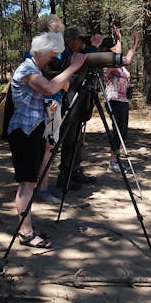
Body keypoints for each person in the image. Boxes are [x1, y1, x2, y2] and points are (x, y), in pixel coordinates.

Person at [7, 32, 86, 248]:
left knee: (30, 182)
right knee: (27, 182)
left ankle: (27, 226)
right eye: (52, 56)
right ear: (41, 53)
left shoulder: (35, 69)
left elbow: (34, 96)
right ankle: (25, 233)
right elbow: (50, 87)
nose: (53, 60)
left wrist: (46, 106)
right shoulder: (26, 69)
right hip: (23, 132)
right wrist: (72, 68)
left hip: (32, 130)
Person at [52, 26, 103, 190]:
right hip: (67, 101)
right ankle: (65, 177)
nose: (83, 43)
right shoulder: (64, 54)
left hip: (75, 100)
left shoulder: (70, 53)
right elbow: (80, 62)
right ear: (71, 41)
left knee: (77, 139)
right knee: (70, 139)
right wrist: (93, 47)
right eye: (80, 39)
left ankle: (74, 171)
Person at [33, 15, 66, 204]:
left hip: (53, 100)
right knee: (48, 147)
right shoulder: (43, 53)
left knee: (47, 147)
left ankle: (41, 184)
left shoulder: (38, 50)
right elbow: (44, 80)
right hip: (49, 103)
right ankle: (42, 187)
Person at [100, 27, 139, 173]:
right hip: (113, 100)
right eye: (115, 48)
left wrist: (135, 42)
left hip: (123, 101)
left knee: (123, 131)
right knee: (117, 131)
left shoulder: (121, 65)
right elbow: (117, 57)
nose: (117, 49)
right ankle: (113, 161)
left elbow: (128, 57)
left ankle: (116, 159)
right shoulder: (109, 66)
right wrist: (119, 40)